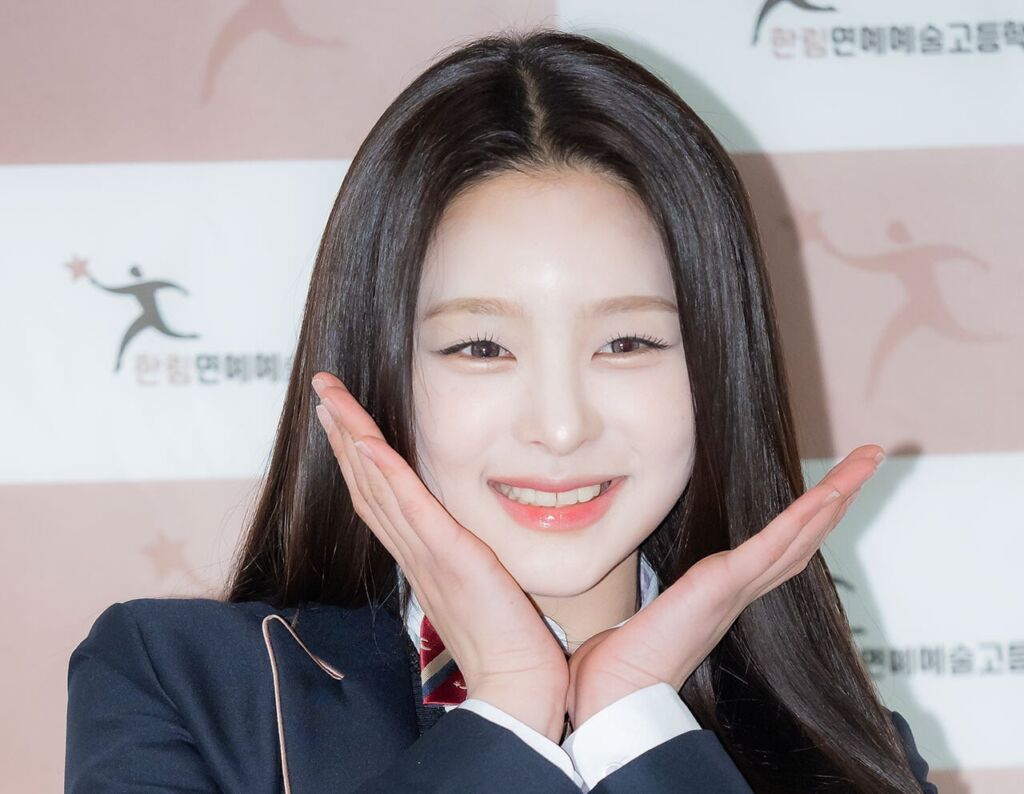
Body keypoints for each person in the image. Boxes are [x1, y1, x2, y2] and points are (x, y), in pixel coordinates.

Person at [65, 29, 938, 793]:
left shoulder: (843, 749)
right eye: (481, 348)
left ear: (718, 368)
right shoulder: (183, 685)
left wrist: (633, 719)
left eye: (627, 342)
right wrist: (511, 705)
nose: (560, 428)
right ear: (375, 368)